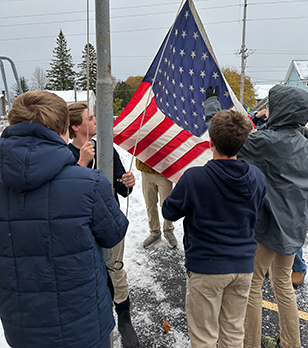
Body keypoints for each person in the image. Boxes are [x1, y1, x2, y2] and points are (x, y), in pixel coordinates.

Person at [0, 91, 128, 348]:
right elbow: (114, 233)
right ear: (65, 131)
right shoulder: (88, 184)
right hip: (84, 324)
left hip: (23, 327)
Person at [162, 108, 266, 348]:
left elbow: (169, 211)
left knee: (204, 336)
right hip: (242, 266)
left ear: (210, 142)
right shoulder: (257, 176)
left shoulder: (194, 178)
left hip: (206, 268)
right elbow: (257, 205)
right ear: (242, 143)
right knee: (233, 332)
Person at [233, 85, 308, 348]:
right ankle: (292, 343)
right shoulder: (305, 141)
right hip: (294, 227)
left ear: (282, 110)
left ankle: (251, 344)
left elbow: (230, 139)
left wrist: (213, 107)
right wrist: (265, 123)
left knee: (253, 287)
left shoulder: (266, 142)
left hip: (268, 228)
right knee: (283, 284)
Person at [68, 102, 139, 348]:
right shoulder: (65, 153)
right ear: (76, 127)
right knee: (90, 270)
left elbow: (120, 185)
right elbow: (66, 194)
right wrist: (82, 163)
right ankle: (97, 314)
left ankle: (124, 315)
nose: (96, 121)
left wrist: (127, 182)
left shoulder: (104, 148)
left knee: (115, 268)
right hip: (82, 226)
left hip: (108, 221)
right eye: (90, 118)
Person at [136, 159, 177, 249]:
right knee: (150, 204)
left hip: (164, 171)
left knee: (167, 205)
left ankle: (168, 230)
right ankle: (154, 232)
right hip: (146, 169)